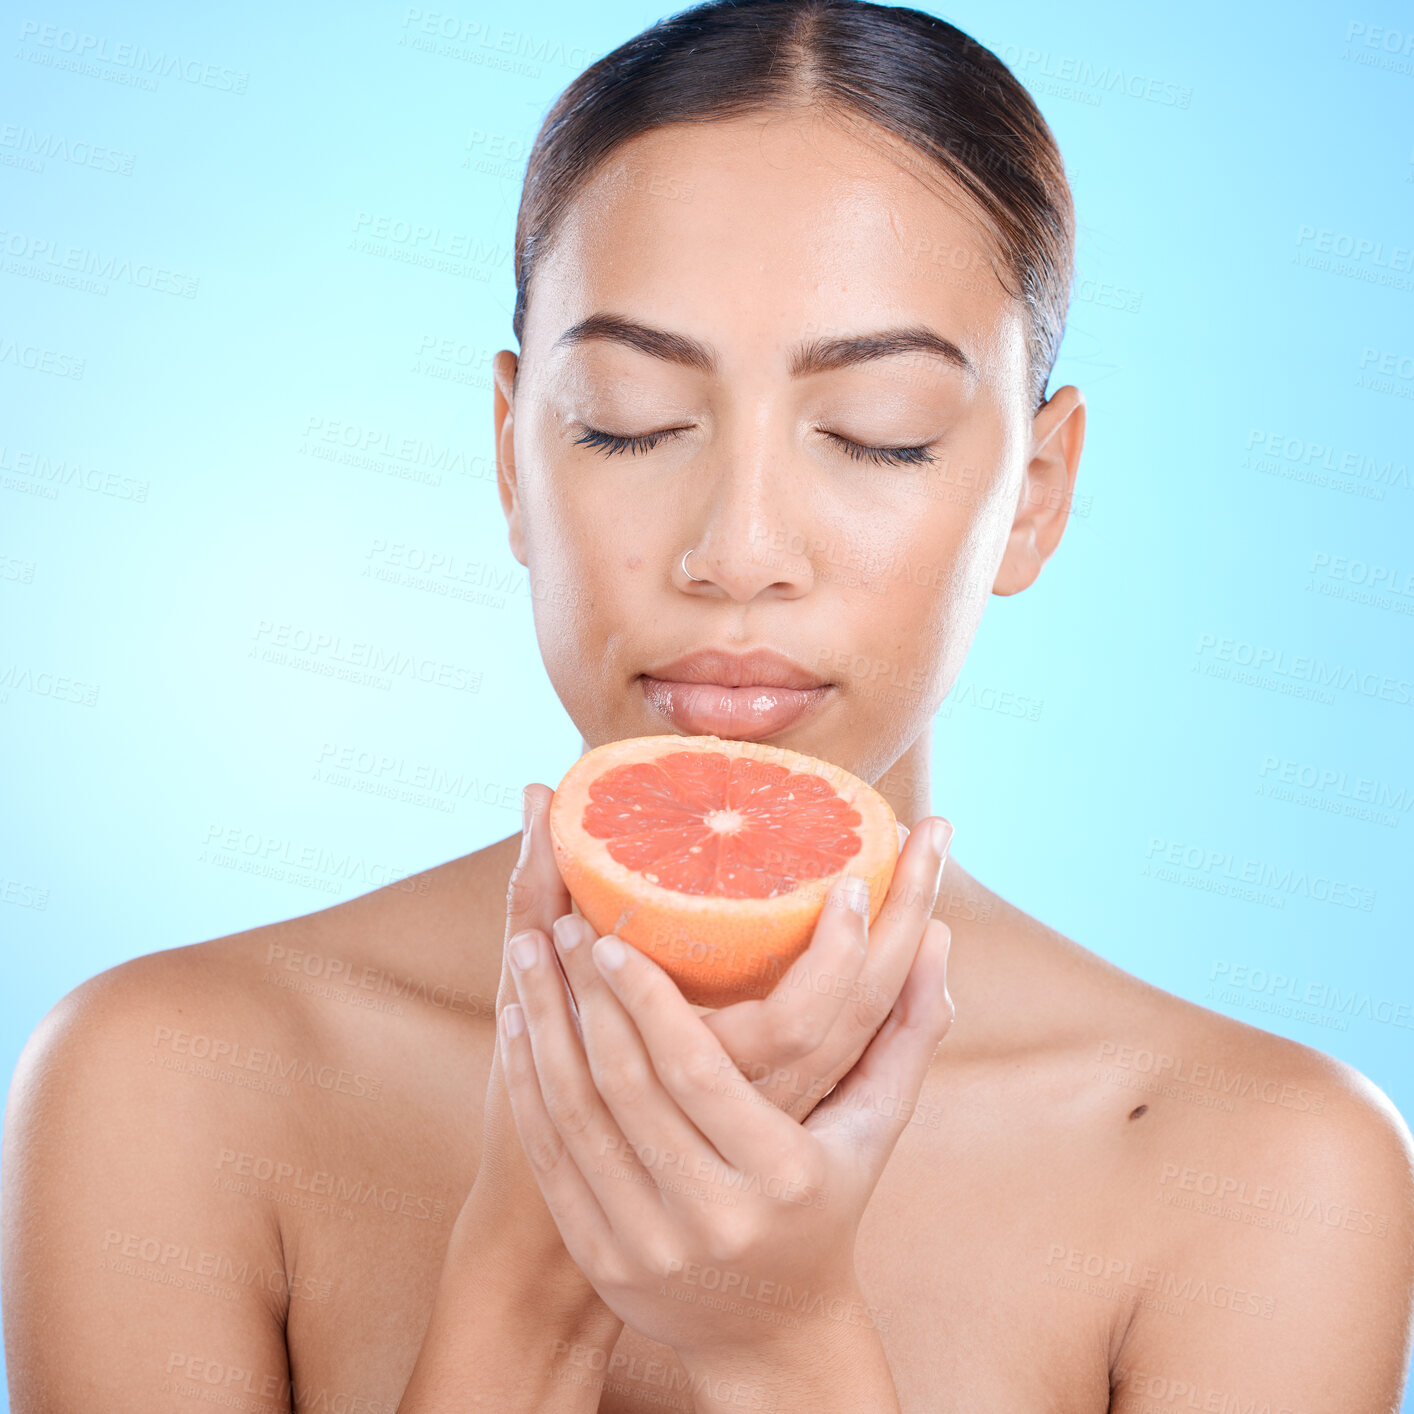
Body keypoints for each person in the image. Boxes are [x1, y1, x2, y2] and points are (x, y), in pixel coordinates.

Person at [5, 1, 1413, 1410]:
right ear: (512, 459)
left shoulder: (1265, 1174)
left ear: (1033, 496)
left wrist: (777, 1343)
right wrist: (527, 1270)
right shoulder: (168, 1086)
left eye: (879, 434)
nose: (737, 551)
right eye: (627, 417)